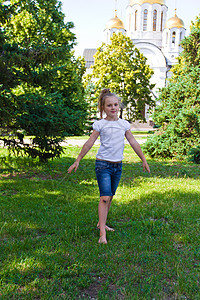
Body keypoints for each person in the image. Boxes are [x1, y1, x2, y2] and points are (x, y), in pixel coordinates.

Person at [68, 89, 150, 244]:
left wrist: (143, 159)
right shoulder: (100, 124)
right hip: (103, 165)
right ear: (103, 108)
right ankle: (102, 235)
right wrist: (77, 160)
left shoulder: (124, 124)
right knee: (104, 197)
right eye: (109, 105)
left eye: (115, 104)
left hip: (117, 166)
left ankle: (102, 223)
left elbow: (133, 142)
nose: (113, 108)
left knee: (110, 196)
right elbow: (89, 143)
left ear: (119, 106)